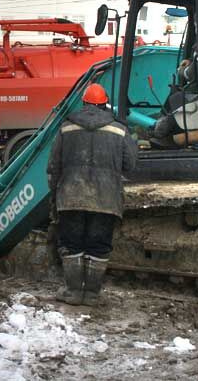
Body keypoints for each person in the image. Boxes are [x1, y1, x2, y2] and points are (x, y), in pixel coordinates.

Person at [47, 83, 137, 305]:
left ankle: (73, 292)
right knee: (98, 246)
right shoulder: (119, 129)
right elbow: (130, 165)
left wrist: (55, 195)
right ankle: (92, 295)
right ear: (105, 104)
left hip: (71, 196)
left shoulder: (66, 127)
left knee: (72, 244)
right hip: (106, 199)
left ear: (84, 103)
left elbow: (53, 166)